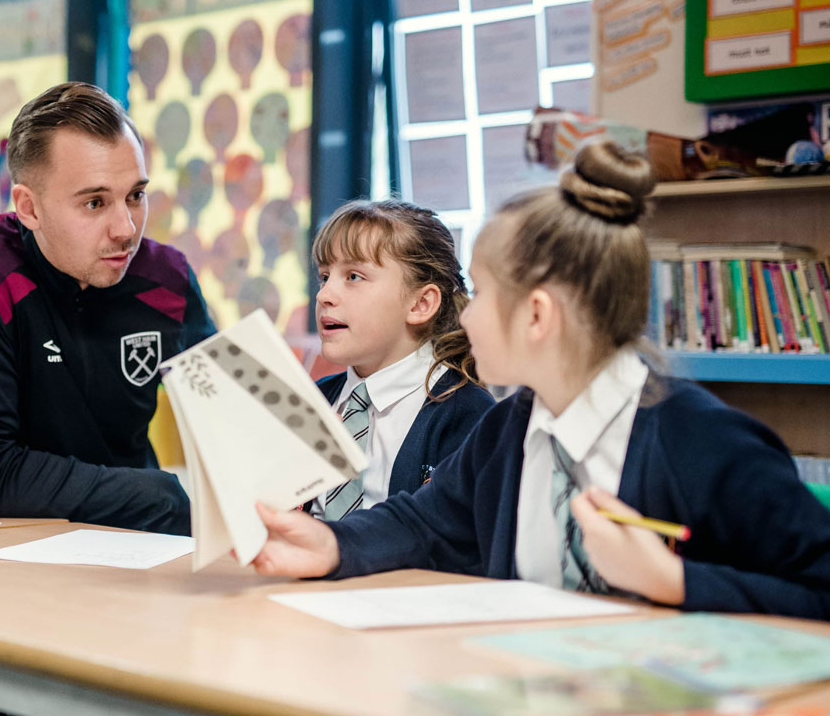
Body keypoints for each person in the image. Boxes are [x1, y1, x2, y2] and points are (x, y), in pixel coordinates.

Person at [248, 140, 830, 620]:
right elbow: (424, 523)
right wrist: (330, 545)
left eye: (481, 292)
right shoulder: (507, 432)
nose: (464, 313)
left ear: (537, 315)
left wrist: (674, 580)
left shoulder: (701, 440)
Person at [0, 82, 214, 536]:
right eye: (95, 203)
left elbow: (235, 415)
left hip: (140, 541)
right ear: (28, 208)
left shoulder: (166, 277)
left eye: (135, 195)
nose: (126, 229)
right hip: (5, 553)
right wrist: (157, 494)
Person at [308, 199, 492, 519]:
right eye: (325, 277)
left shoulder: (466, 414)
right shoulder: (315, 399)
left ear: (420, 304)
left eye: (353, 276)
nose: (324, 295)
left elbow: (446, 539)